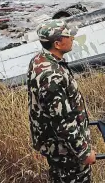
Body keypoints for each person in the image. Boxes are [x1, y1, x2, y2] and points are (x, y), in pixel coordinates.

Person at [27, 20, 96, 183]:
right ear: (57, 44)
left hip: (54, 144)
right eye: (68, 36)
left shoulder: (39, 60)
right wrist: (83, 152)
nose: (72, 37)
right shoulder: (53, 76)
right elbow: (63, 122)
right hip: (65, 150)